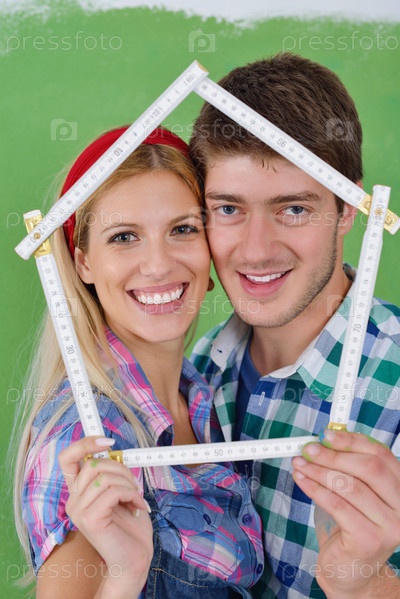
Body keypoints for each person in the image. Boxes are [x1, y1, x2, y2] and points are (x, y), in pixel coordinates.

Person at [13, 126, 264, 598]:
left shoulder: (203, 392)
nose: (158, 264)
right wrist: (125, 575)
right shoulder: (86, 435)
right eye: (124, 236)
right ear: (84, 263)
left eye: (182, 229)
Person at [189, 52, 400, 599]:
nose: (256, 250)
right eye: (229, 209)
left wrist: (366, 585)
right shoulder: (196, 372)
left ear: (349, 208)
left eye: (295, 209)